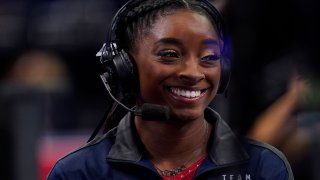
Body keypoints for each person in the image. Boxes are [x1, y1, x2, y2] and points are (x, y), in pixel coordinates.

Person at [47, 0, 294, 179]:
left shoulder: (264, 167)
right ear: (125, 68)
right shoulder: (79, 173)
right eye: (170, 54)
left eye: (208, 57)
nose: (193, 73)